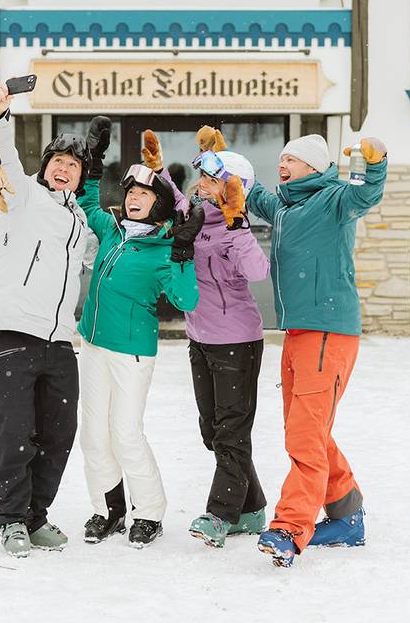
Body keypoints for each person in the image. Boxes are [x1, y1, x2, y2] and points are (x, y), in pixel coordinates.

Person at [245, 133, 387, 568]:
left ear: (314, 166)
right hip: (299, 334)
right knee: (307, 427)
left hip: (327, 331)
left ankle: (289, 527)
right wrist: (218, 165)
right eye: (281, 157)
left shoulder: (334, 200)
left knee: (304, 434)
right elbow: (252, 195)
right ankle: (346, 515)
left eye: (292, 159)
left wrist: (374, 162)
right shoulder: (286, 208)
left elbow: (367, 193)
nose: (282, 163)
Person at [0, 82, 95, 558]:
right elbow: (2, 156)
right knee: (13, 430)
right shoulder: (23, 197)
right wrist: (0, 117)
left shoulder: (81, 224)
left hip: (59, 341)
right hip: (10, 332)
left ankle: (35, 516)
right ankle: (9, 520)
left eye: (73, 165)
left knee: (57, 433)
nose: (63, 169)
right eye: (57, 163)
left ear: (82, 177)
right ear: (45, 170)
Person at [77, 116, 203, 549]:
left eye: (145, 193)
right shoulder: (114, 233)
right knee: (92, 433)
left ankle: (148, 512)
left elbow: (186, 302)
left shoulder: (164, 250)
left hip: (131, 354)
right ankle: (108, 508)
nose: (134, 198)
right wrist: (94, 166)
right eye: (131, 191)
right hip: (92, 345)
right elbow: (88, 204)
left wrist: (184, 252)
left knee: (125, 432)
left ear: (159, 204)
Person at [142, 126, 270, 548]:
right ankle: (251, 509)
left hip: (237, 340)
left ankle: (221, 514)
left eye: (212, 180)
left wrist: (237, 226)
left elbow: (258, 272)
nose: (201, 186)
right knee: (212, 430)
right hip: (201, 338)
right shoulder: (194, 217)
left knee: (231, 431)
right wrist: (157, 170)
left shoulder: (235, 228)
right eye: (203, 178)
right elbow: (176, 199)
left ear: (233, 189)